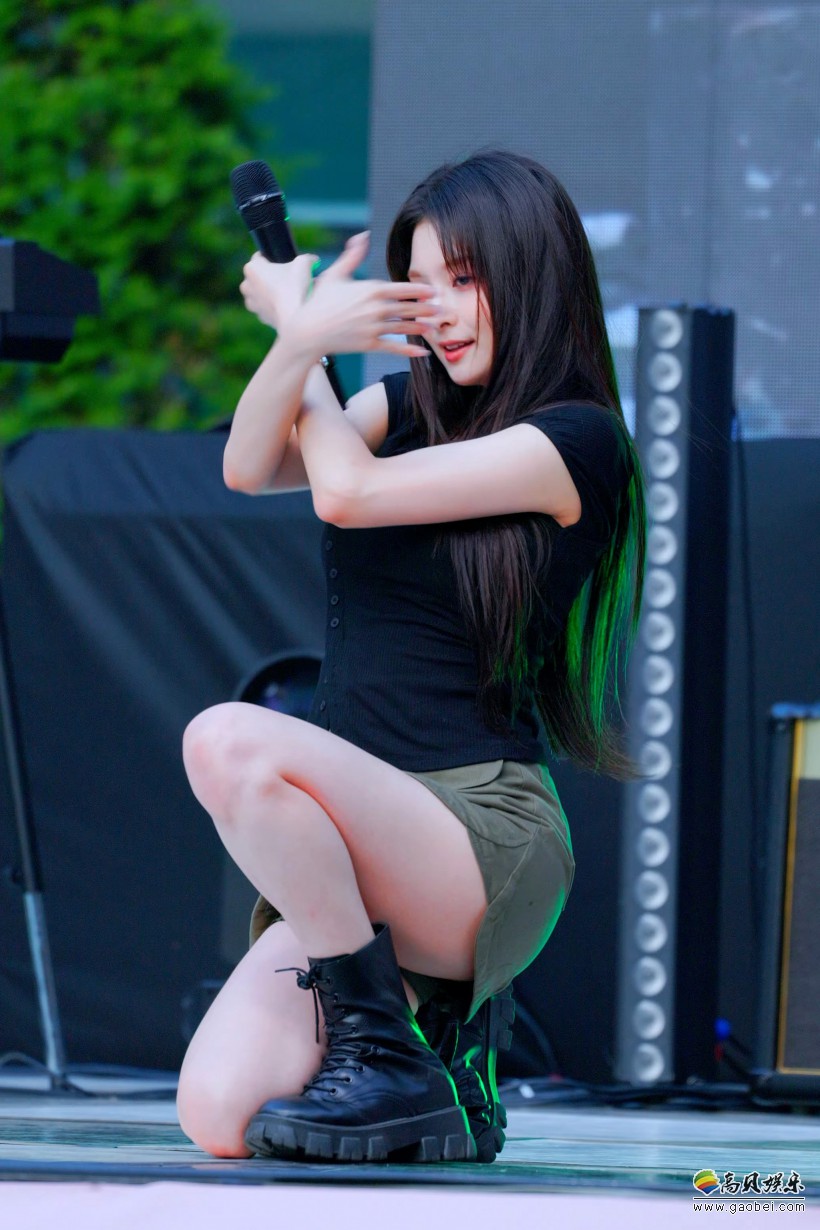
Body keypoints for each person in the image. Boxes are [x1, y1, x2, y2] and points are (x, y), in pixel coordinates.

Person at [176, 150, 645, 1164]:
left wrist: (301, 331)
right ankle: (426, 1060)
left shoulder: (577, 441)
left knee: (227, 742)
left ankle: (396, 1055)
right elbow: (248, 465)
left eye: (465, 279)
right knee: (218, 1117)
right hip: (360, 849)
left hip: (478, 839)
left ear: (532, 276)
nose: (439, 310)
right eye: (419, 284)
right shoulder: (403, 405)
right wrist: (299, 342)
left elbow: (346, 492)